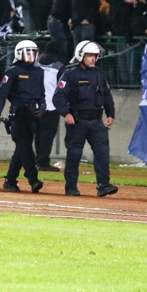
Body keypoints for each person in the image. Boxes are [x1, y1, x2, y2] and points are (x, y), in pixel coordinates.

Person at [53, 41, 117, 197]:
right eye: (89, 55)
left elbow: (107, 96)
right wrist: (66, 114)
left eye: (95, 56)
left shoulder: (99, 74)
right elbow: (58, 97)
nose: (93, 59)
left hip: (97, 121)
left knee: (102, 153)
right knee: (74, 154)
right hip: (78, 121)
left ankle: (103, 184)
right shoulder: (69, 74)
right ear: (81, 55)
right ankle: (71, 186)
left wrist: (110, 114)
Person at [0, 40, 46, 193]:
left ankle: (10, 180)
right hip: (19, 113)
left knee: (21, 149)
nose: (31, 56)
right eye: (28, 52)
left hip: (33, 114)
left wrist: (43, 106)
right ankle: (33, 178)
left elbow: (41, 93)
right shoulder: (12, 71)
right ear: (19, 54)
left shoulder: (38, 71)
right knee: (26, 147)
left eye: (33, 52)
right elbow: (2, 94)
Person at [35, 41, 63, 171]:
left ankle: (36, 160)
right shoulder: (58, 65)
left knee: (37, 135)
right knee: (47, 135)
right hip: (51, 105)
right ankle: (43, 162)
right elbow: (63, 86)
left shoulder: (36, 62)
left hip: (35, 104)